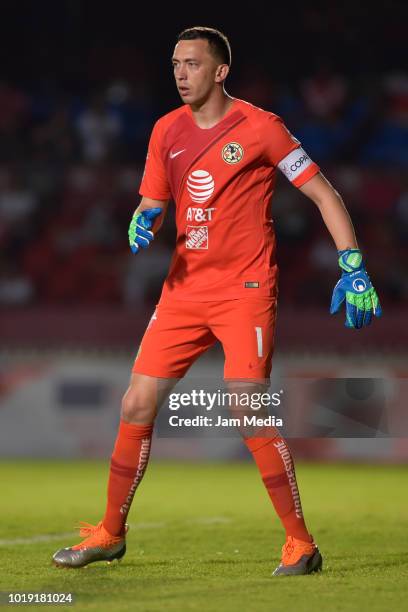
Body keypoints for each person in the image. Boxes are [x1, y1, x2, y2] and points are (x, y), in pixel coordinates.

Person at [52, 26, 381, 576]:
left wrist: (353, 264)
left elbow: (324, 193)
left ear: (220, 71)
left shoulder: (261, 128)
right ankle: (109, 534)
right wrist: (144, 217)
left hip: (244, 292)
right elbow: (153, 200)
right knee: (135, 405)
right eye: (175, 64)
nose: (181, 74)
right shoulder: (165, 130)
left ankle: (301, 544)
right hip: (183, 291)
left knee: (247, 408)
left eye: (193, 64)